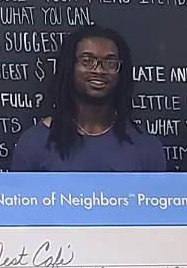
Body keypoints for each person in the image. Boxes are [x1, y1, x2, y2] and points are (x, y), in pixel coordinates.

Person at [10, 25, 165, 172]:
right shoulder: (34, 144)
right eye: (87, 61)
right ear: (70, 67)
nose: (98, 70)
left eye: (110, 63)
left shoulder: (147, 148)